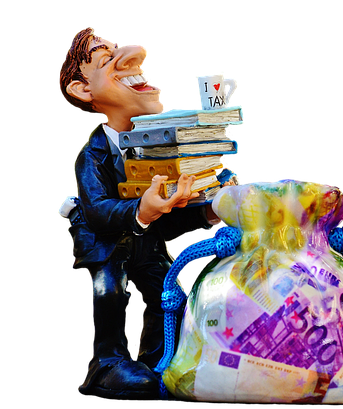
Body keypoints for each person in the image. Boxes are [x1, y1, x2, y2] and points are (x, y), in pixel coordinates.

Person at [58, 26, 221, 399]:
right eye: (106, 59)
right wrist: (142, 210)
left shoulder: (158, 149)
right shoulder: (92, 155)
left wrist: (207, 210)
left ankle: (160, 355)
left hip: (144, 237)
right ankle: (108, 361)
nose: (130, 57)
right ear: (83, 90)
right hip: (102, 240)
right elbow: (98, 212)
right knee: (109, 290)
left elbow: (167, 217)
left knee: (165, 286)